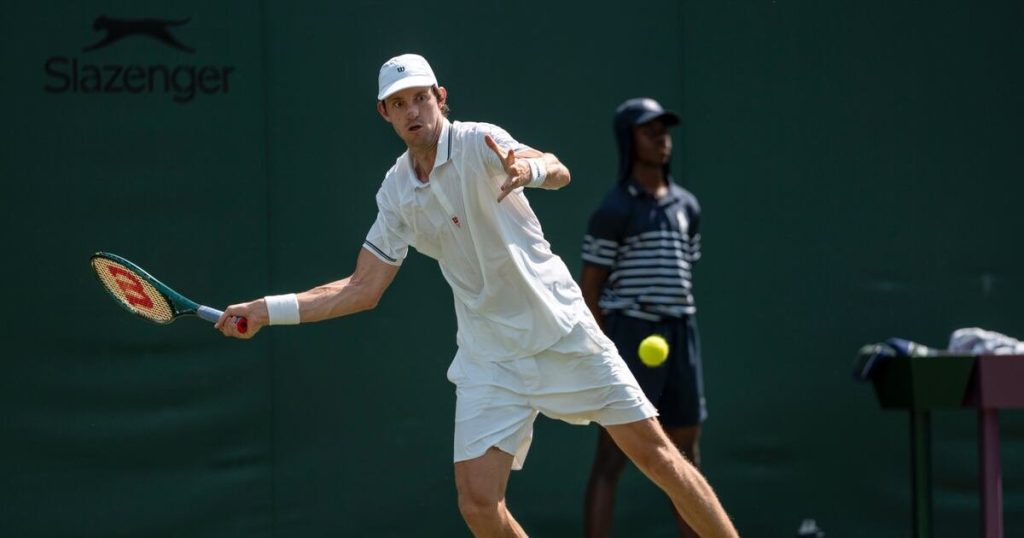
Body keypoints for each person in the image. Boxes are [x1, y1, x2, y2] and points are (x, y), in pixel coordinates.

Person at [215, 54, 737, 538]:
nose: (412, 110)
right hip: (491, 358)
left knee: (660, 459)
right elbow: (361, 288)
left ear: (440, 98)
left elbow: (557, 167)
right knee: (479, 504)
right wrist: (266, 311)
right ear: (386, 115)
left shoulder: (479, 142)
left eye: (420, 97)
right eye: (399, 103)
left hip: (562, 331)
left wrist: (527, 169)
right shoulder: (395, 193)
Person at [580, 98, 707, 538]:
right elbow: (590, 290)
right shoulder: (615, 209)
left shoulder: (687, 207)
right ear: (627, 140)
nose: (660, 138)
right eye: (647, 130)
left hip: (681, 334)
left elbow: (685, 267)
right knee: (612, 457)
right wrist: (602, 351)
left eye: (663, 129)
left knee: (686, 452)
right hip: (630, 334)